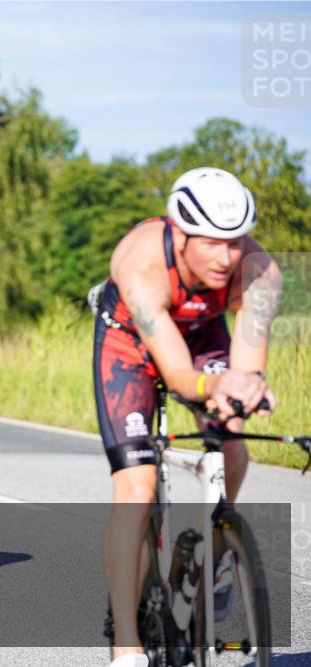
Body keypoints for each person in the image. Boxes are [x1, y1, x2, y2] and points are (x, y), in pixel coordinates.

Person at [92, 167, 281, 667]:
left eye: (235, 241)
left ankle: (220, 548)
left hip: (202, 336)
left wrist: (245, 387)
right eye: (212, 243)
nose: (226, 257)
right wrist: (210, 385)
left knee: (233, 436)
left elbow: (244, 365)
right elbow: (177, 375)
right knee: (137, 488)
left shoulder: (260, 272)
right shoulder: (142, 264)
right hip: (129, 344)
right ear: (181, 233)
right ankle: (127, 645)